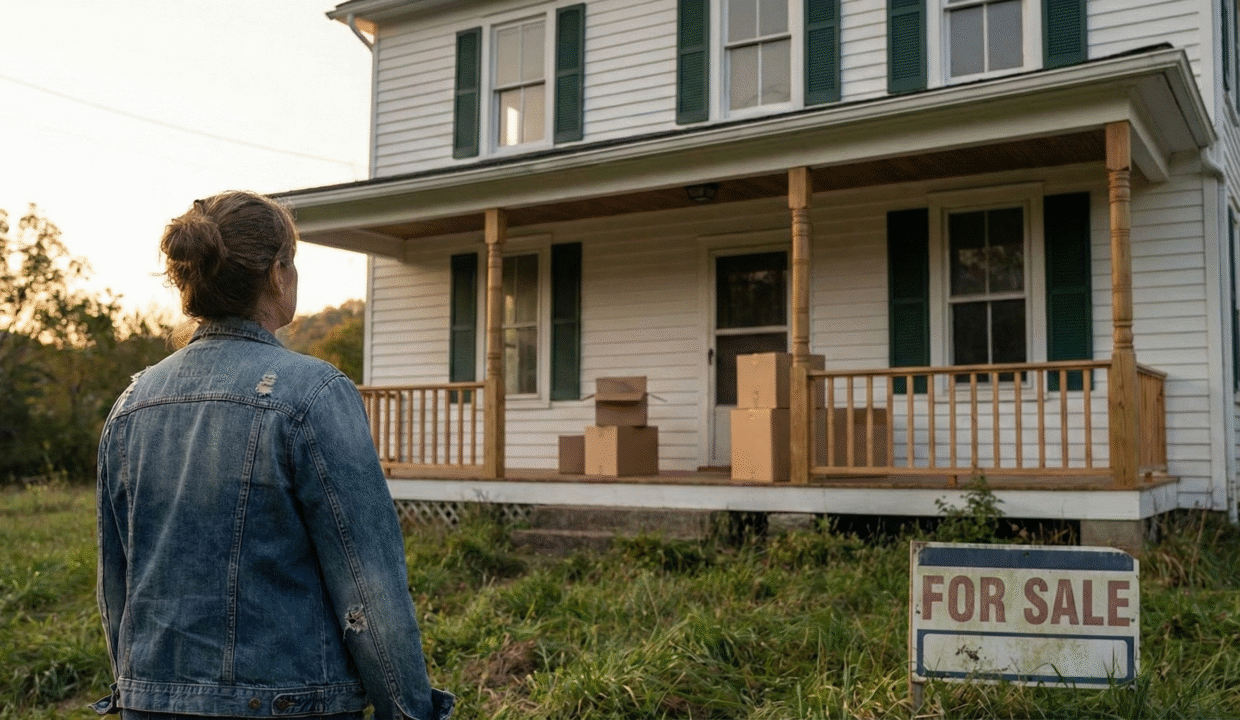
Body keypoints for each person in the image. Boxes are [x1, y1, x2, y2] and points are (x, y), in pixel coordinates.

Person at [94, 191, 453, 720]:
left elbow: (116, 586)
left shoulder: (130, 404)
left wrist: (140, 692)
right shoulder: (313, 393)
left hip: (151, 702)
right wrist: (409, 711)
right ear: (278, 273)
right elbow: (369, 587)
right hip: (290, 705)